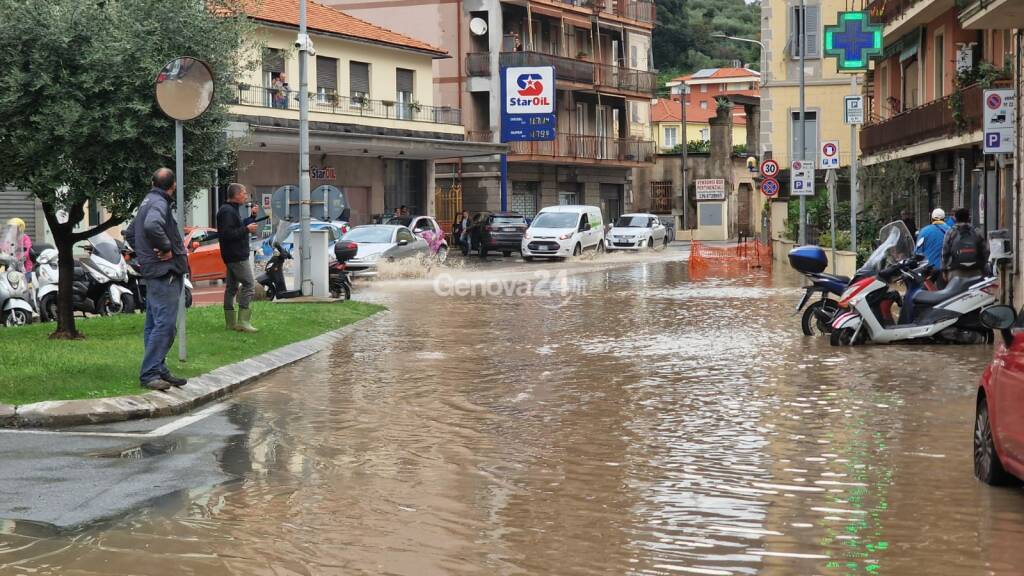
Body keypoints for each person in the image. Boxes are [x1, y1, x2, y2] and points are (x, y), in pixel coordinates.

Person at [124, 168, 189, 391]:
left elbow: (131, 233)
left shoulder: (147, 201)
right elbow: (152, 226)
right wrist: (165, 248)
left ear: (153, 182)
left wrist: (145, 255)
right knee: (166, 324)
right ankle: (150, 373)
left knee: (153, 323)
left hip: (154, 270)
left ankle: (158, 368)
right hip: (165, 272)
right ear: (173, 186)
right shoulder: (159, 204)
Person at [217, 183, 259, 333]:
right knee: (249, 284)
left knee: (232, 287)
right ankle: (243, 321)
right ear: (236, 195)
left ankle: (231, 323)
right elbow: (227, 234)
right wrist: (246, 229)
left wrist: (252, 218)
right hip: (236, 255)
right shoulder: (227, 212)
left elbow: (236, 227)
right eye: (244, 193)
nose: (246, 196)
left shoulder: (229, 210)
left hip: (232, 255)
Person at [942, 208, 989, 280]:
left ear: (956, 218)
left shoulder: (950, 232)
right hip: (976, 271)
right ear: (968, 218)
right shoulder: (976, 231)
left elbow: (945, 253)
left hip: (956, 271)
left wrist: (944, 270)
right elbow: (986, 251)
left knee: (957, 291)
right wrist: (982, 265)